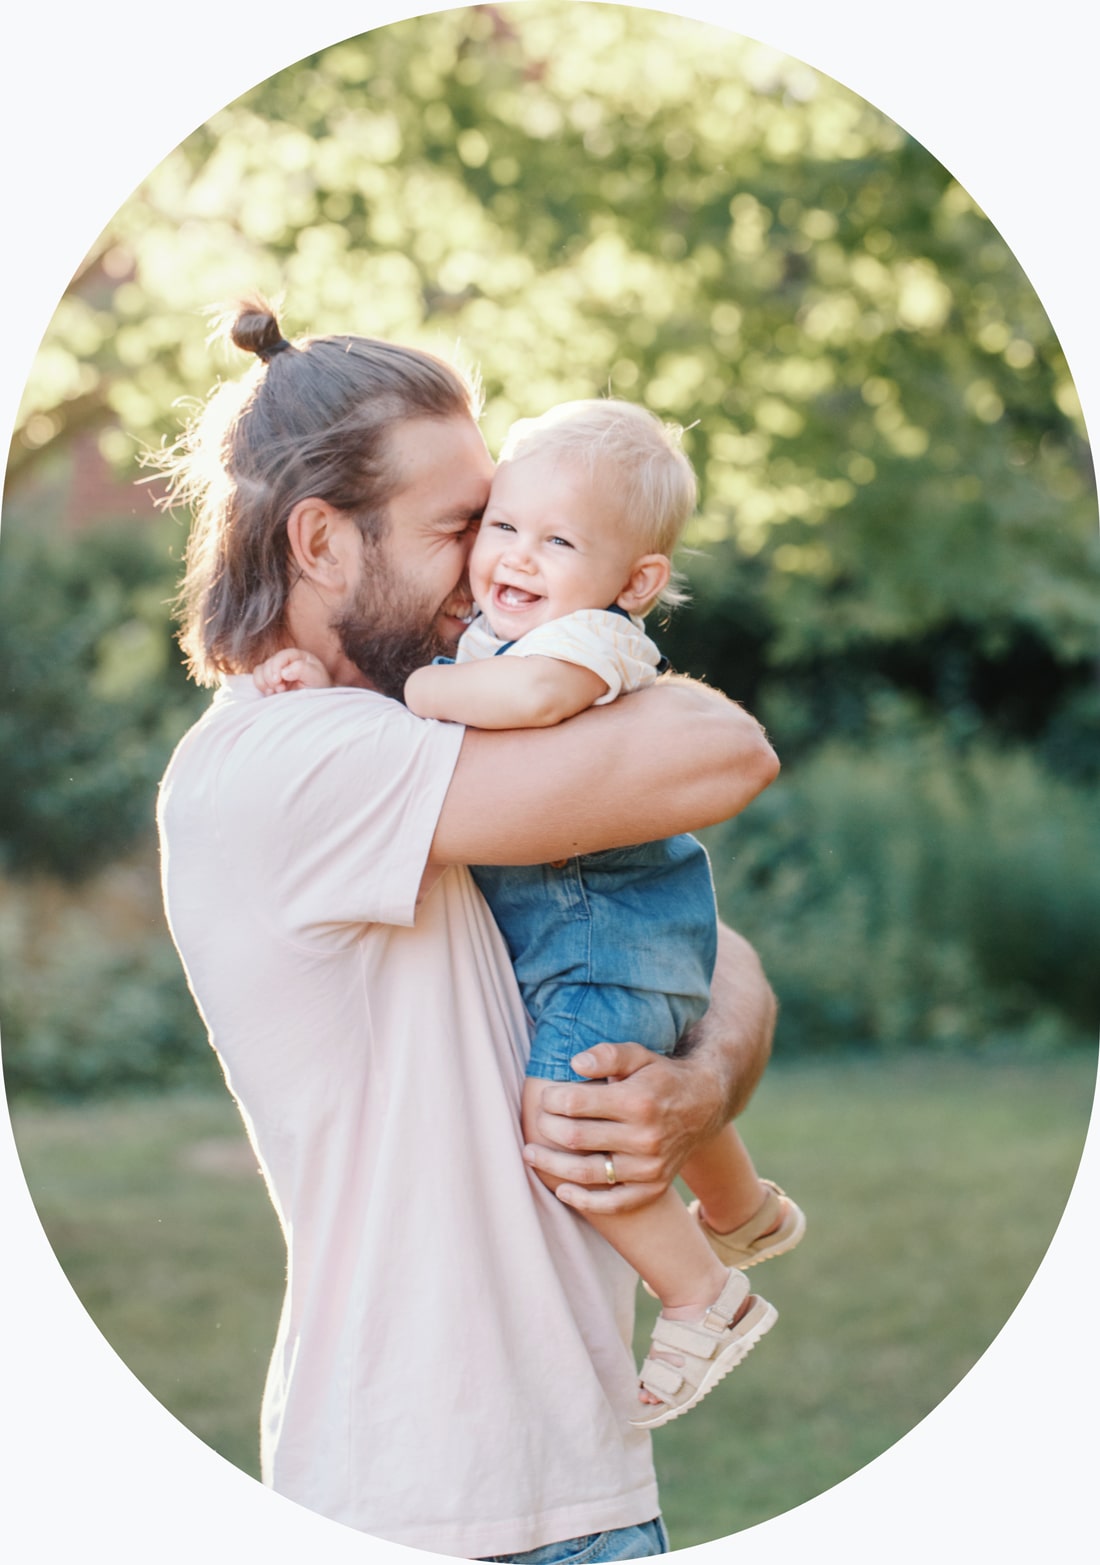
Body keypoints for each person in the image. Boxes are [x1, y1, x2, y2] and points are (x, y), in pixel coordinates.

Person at [156, 299, 780, 1561]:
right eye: (461, 527)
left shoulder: (423, 746)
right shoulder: (294, 758)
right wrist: (599, 659)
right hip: (436, 1499)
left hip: (576, 1473)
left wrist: (694, 1084)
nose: (498, 564)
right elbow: (718, 747)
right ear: (322, 541)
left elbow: (722, 959)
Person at [258, 398, 805, 1430]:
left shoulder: (590, 640)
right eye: (498, 526)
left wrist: (406, 692)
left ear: (635, 582)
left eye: (558, 540)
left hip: (597, 935)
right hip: (621, 933)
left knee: (572, 1120)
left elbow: (523, 705)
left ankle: (702, 1295)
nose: (513, 555)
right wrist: (325, 675)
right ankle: (740, 1212)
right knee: (657, 1065)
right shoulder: (486, 636)